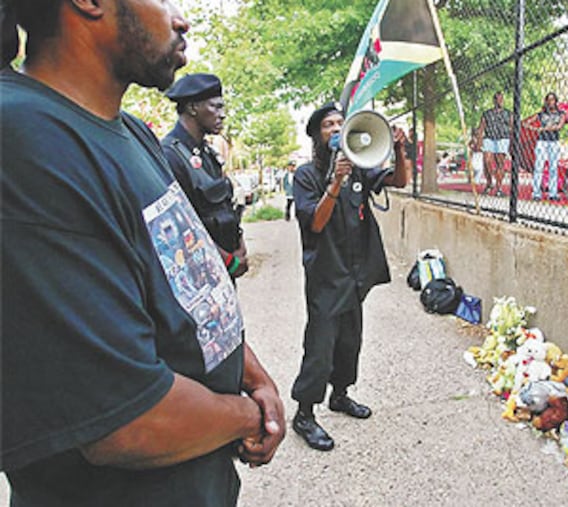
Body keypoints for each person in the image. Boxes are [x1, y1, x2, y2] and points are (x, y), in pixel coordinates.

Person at [0, 1, 285, 506]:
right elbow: (124, 420)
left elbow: (190, 293)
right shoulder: (27, 138)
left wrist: (251, 372)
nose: (182, 20)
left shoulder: (128, 130)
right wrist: (249, 415)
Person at [291, 102, 409, 451]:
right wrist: (335, 181)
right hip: (326, 275)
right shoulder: (306, 175)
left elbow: (398, 180)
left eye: (341, 123)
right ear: (317, 134)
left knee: (349, 341)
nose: (336, 128)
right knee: (321, 346)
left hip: (355, 272)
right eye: (328, 124)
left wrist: (399, 148)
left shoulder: (360, 165)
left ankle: (339, 395)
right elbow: (314, 221)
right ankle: (304, 414)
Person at [162, 73, 248, 280]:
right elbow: (179, 226)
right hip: (199, 273)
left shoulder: (208, 153)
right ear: (192, 108)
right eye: (215, 107)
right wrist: (228, 261)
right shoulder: (170, 155)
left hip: (223, 270)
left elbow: (226, 207)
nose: (222, 114)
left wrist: (239, 243)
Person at [524, 92, 567, 201]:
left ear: (556, 101)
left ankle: (553, 193)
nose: (550, 102)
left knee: (553, 167)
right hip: (542, 141)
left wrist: (546, 128)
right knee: (539, 166)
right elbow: (527, 122)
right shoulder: (541, 114)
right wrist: (534, 129)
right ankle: (536, 193)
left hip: (554, 141)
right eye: (548, 100)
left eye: (552, 100)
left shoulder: (561, 113)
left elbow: (559, 126)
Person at [476, 91, 513, 197]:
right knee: (487, 160)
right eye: (497, 99)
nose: (499, 101)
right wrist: (478, 141)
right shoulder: (487, 113)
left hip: (503, 139)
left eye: (501, 99)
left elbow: (512, 128)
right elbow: (481, 127)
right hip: (489, 139)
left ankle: (499, 187)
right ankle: (489, 182)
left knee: (500, 163)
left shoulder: (508, 113)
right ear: (494, 100)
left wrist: (512, 143)